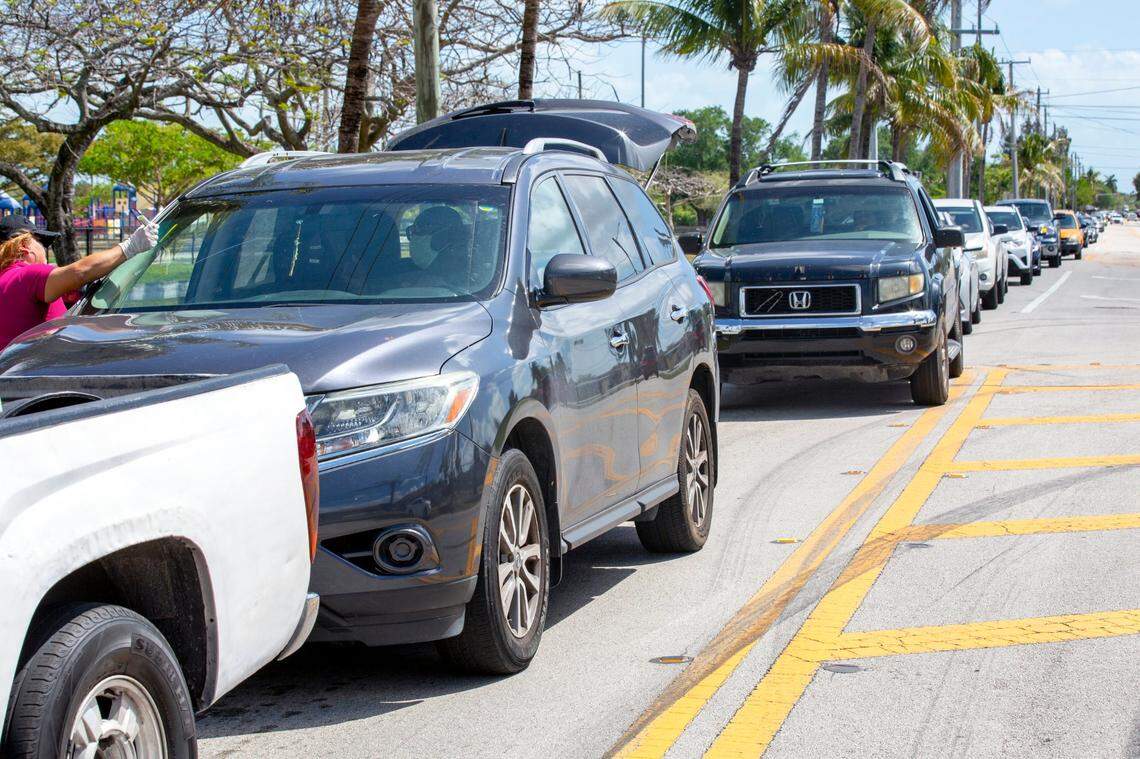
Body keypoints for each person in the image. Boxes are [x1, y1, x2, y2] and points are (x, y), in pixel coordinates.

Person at [0, 215, 157, 351]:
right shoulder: (26, 275)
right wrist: (131, 246)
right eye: (42, 242)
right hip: (35, 376)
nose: (45, 250)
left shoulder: (5, 280)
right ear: (24, 246)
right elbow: (79, 272)